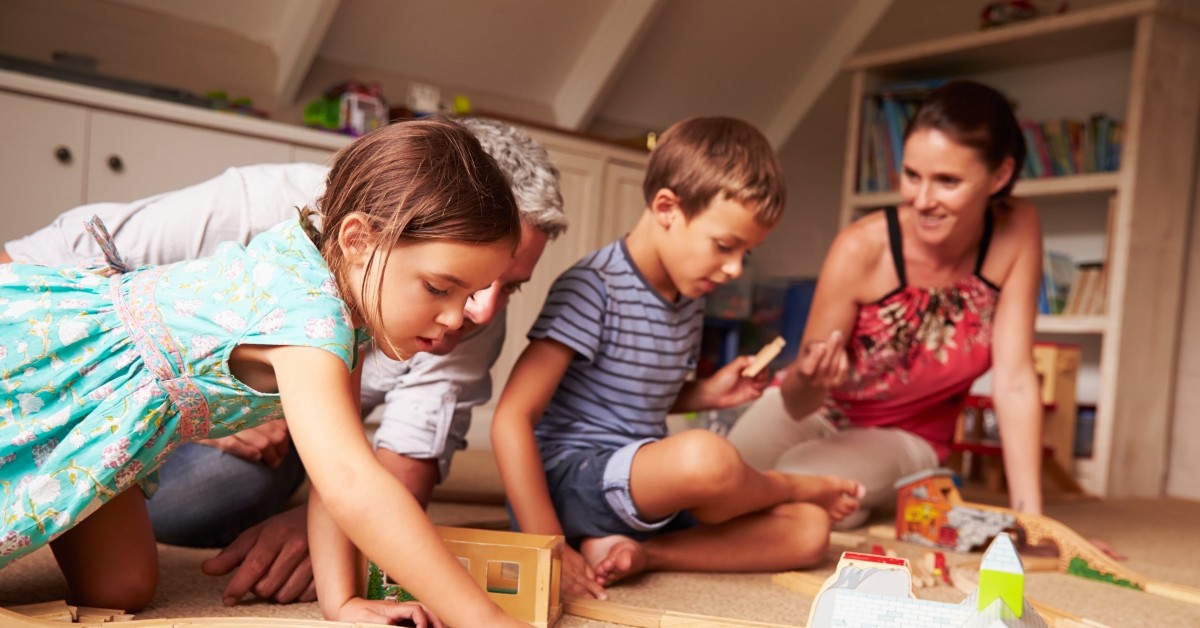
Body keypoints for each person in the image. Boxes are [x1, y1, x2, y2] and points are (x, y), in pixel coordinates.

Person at [0, 117, 566, 605]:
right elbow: (353, 484)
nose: (461, 317)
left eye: (476, 292)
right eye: (440, 288)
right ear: (359, 239)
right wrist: (481, 617)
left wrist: (341, 600)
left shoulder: (344, 288)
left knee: (120, 589)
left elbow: (333, 482)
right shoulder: (310, 316)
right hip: (48, 369)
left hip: (115, 417)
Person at [491, 116, 865, 601]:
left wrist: (707, 393)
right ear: (667, 208)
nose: (733, 269)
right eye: (725, 247)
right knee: (707, 457)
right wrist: (549, 546)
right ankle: (792, 483)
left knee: (808, 531)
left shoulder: (688, 298)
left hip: (637, 491)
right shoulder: (593, 287)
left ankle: (640, 553)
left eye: (745, 255)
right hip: (572, 480)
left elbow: (632, 398)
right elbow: (512, 417)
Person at [727, 80, 1045, 526]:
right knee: (722, 480)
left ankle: (852, 499)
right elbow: (800, 402)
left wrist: (1032, 520)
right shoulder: (860, 247)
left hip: (906, 435)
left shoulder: (1017, 229)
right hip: (818, 408)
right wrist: (810, 375)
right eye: (912, 176)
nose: (922, 200)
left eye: (948, 181)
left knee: (797, 487)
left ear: (999, 176)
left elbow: (1014, 381)